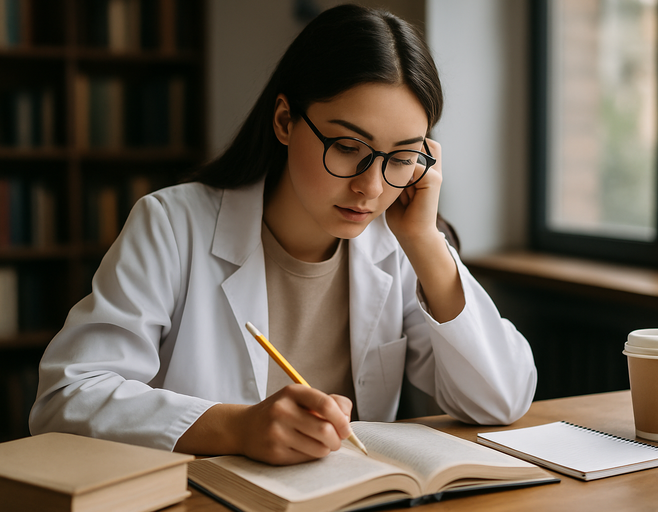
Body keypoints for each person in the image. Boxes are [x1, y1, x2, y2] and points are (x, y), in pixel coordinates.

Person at [29, 4, 536, 466]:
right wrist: (238, 426)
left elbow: (501, 399)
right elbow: (65, 400)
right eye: (346, 146)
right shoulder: (171, 224)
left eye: (401, 157)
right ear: (285, 120)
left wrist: (424, 239)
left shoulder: (399, 245)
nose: (371, 186)